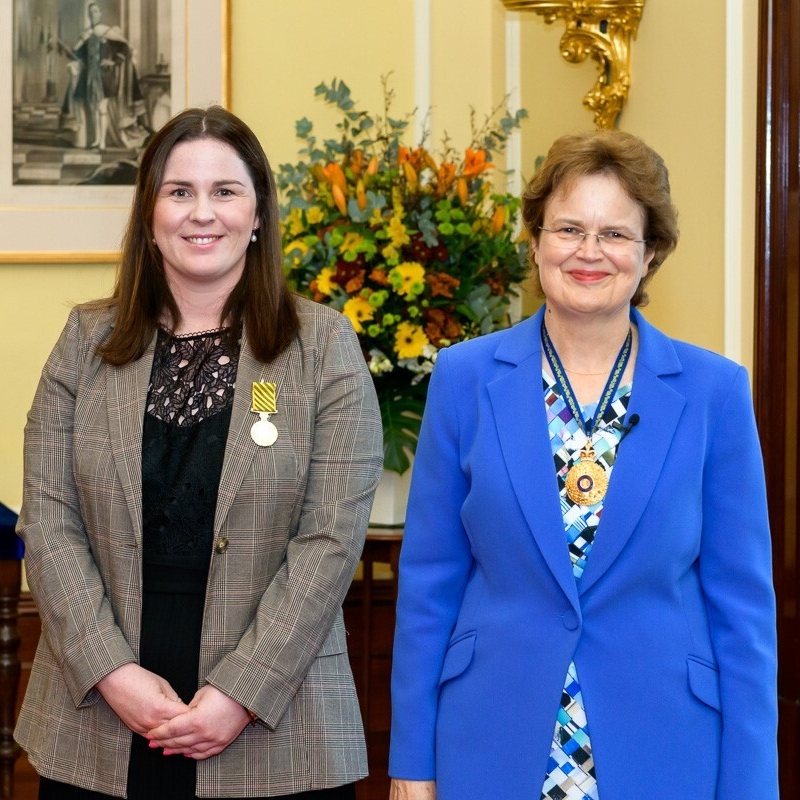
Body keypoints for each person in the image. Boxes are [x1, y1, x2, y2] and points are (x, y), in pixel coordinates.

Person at [388, 130, 778, 800]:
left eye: (615, 234)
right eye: (568, 228)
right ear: (536, 241)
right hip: (489, 740)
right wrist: (411, 765)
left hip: (667, 746)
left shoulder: (715, 392)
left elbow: (743, 613)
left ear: (650, 252)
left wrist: (751, 785)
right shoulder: (465, 378)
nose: (589, 252)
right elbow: (429, 587)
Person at [15, 105, 382, 800]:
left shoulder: (325, 348)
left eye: (225, 191)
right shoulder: (84, 342)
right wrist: (112, 673)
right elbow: (49, 517)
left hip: (278, 727)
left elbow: (331, 540)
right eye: (179, 191)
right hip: (100, 715)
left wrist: (240, 693)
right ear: (149, 215)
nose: (200, 213)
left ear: (259, 215)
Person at [61, 1, 148, 151]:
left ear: (100, 14)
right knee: (95, 109)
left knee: (102, 109)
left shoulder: (107, 32)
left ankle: (102, 142)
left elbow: (125, 47)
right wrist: (75, 43)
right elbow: (76, 55)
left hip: (105, 78)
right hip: (90, 79)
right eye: (90, 13)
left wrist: (113, 61)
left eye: (95, 12)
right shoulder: (87, 35)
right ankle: (96, 140)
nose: (93, 15)